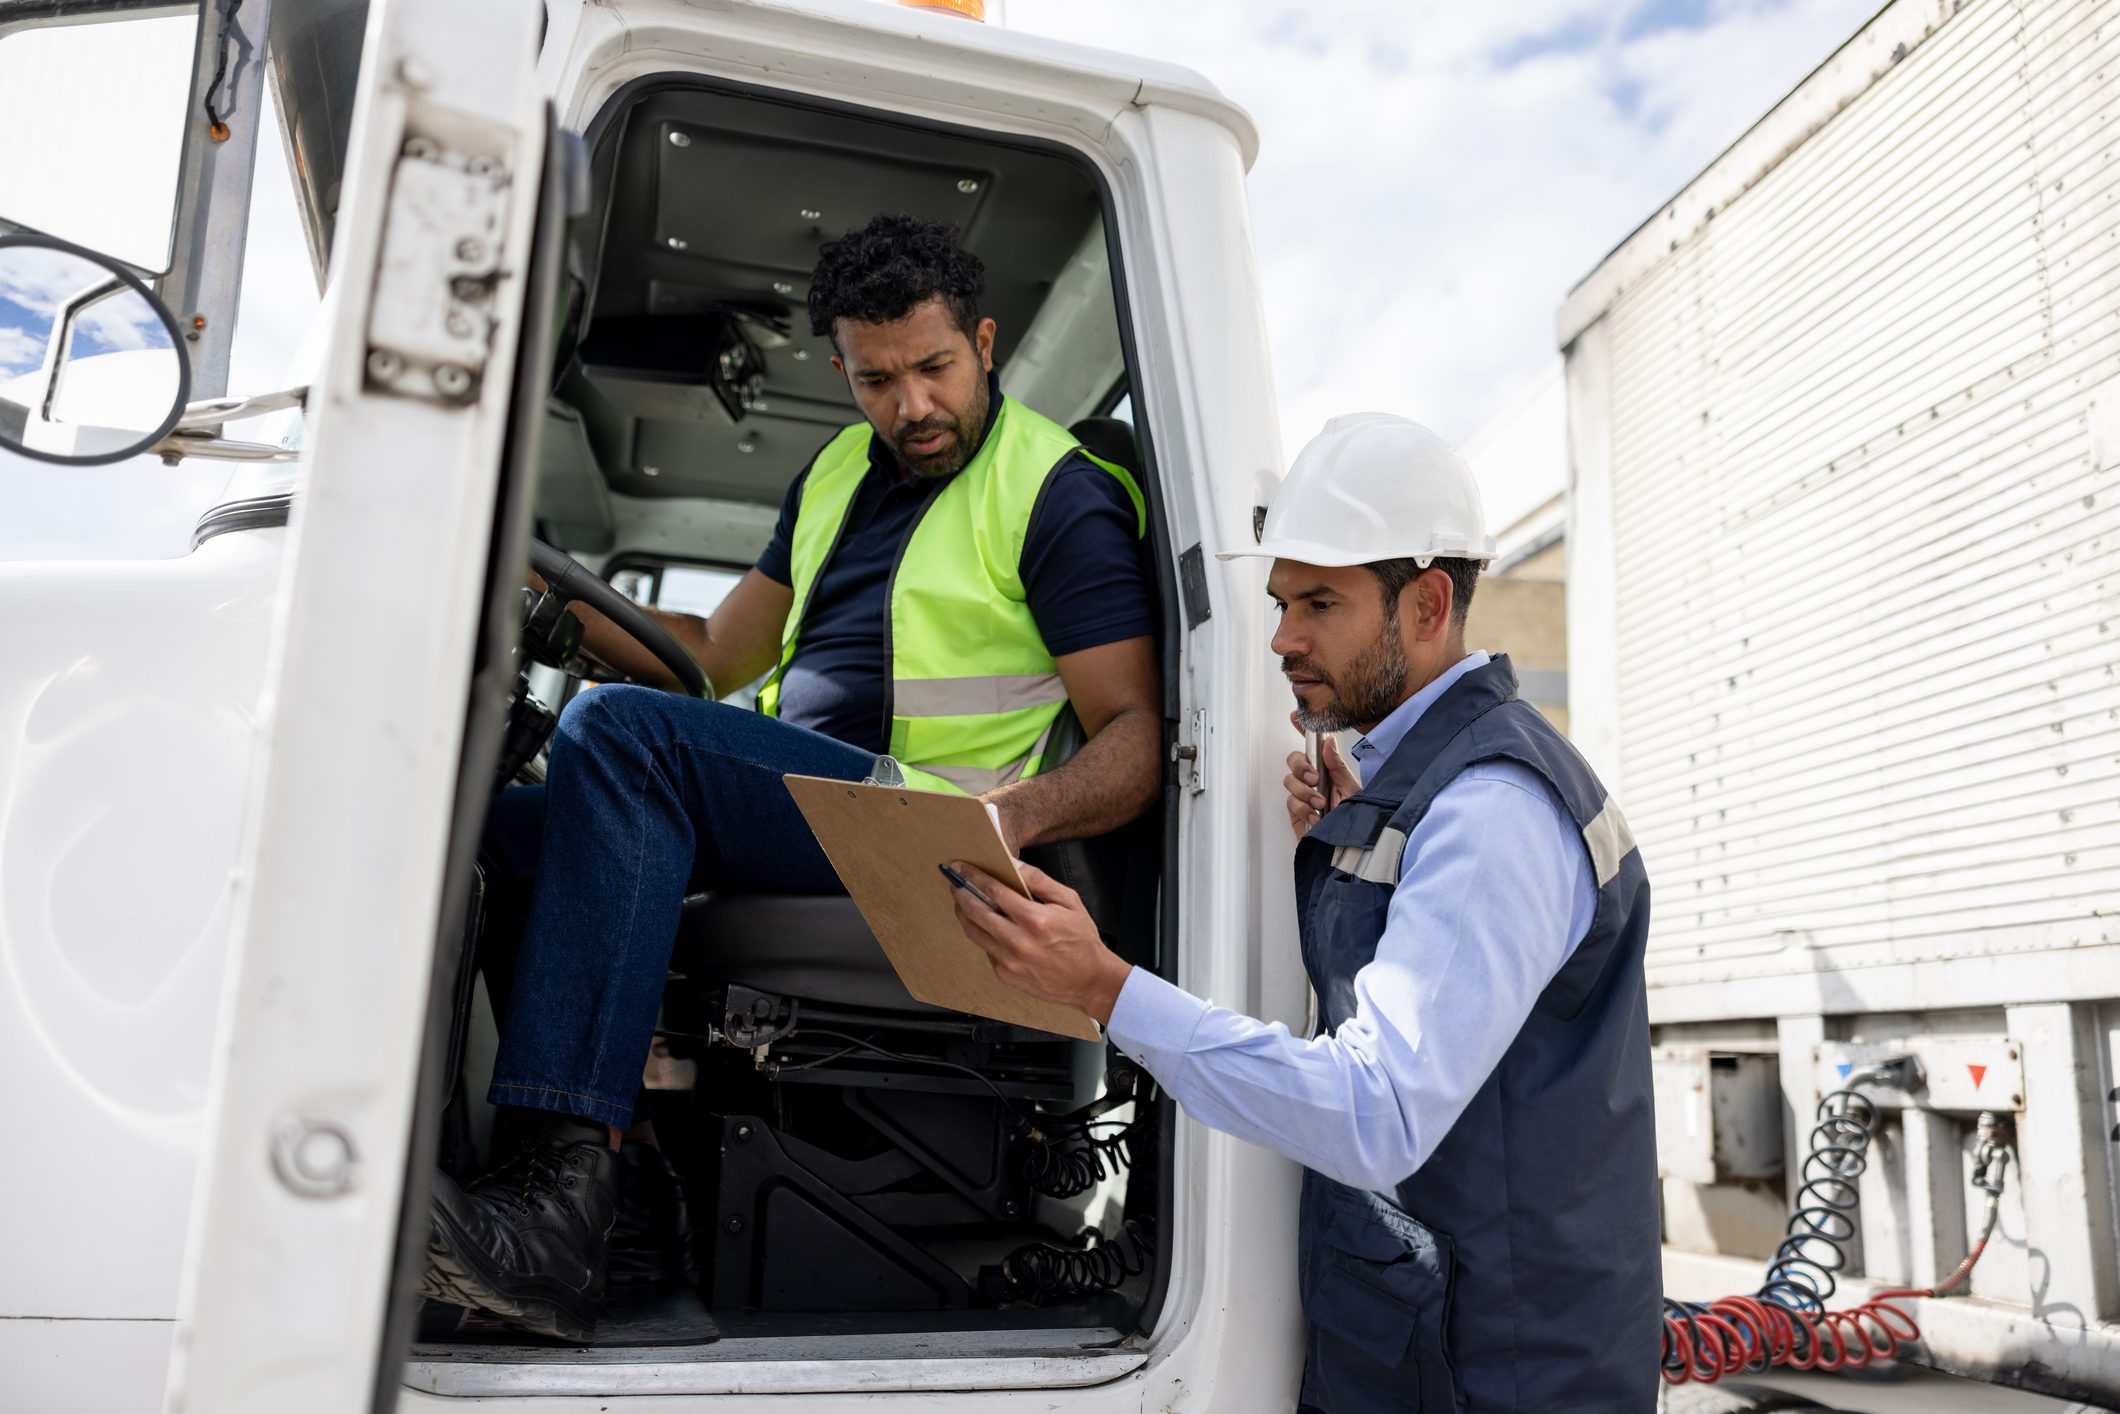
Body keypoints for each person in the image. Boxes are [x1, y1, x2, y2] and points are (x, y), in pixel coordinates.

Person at [420, 215, 1162, 1341]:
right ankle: (630, 1199)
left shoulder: (1054, 491)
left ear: (983, 344)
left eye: (933, 368)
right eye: (877, 380)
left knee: (621, 736)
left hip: (933, 828)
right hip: (812, 806)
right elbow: (717, 655)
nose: (910, 405)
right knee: (492, 837)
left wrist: (1007, 815)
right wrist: (534, 595)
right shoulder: (831, 475)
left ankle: (560, 1212)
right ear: (840, 370)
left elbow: (1134, 737)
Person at [948, 414, 1660, 1411]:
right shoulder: (1412, 793)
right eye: (1283, 601)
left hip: (1495, 1375)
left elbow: (1378, 1114)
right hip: (1419, 1347)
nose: (1283, 637)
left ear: (1427, 603)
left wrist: (1106, 989)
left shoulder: (1491, 807)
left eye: (1320, 603)